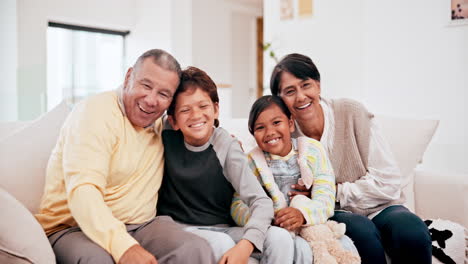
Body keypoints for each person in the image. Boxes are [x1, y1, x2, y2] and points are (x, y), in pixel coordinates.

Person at [35, 49, 215, 264]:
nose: (151, 100)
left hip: (142, 225)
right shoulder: (94, 113)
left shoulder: (161, 124)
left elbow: (195, 127)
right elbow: (83, 191)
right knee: (98, 260)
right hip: (74, 228)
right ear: (129, 76)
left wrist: (221, 139)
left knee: (195, 248)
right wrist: (124, 247)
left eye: (163, 94)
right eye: (146, 86)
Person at [268, 53, 432, 264]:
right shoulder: (283, 135)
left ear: (318, 85)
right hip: (333, 213)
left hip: (382, 207)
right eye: (290, 91)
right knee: (361, 233)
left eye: (306, 85)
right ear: (279, 100)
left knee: (412, 232)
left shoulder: (351, 113)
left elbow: (388, 182)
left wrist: (335, 190)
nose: (300, 97)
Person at [156, 66, 293, 264]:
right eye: (185, 110)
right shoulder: (164, 133)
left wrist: (247, 244)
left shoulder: (227, 146)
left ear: (216, 109)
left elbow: (260, 202)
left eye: (203, 106)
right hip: (177, 228)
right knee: (222, 244)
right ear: (173, 120)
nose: (196, 115)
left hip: (221, 227)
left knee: (280, 238)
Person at [230, 95, 358, 263]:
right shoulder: (251, 162)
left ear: (290, 123)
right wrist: (267, 218)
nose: (270, 132)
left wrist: (302, 214)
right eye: (260, 127)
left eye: (276, 123)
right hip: (276, 229)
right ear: (253, 134)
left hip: (310, 225)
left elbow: (326, 199)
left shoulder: (313, 151)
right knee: (300, 249)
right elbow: (237, 206)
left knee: (347, 245)